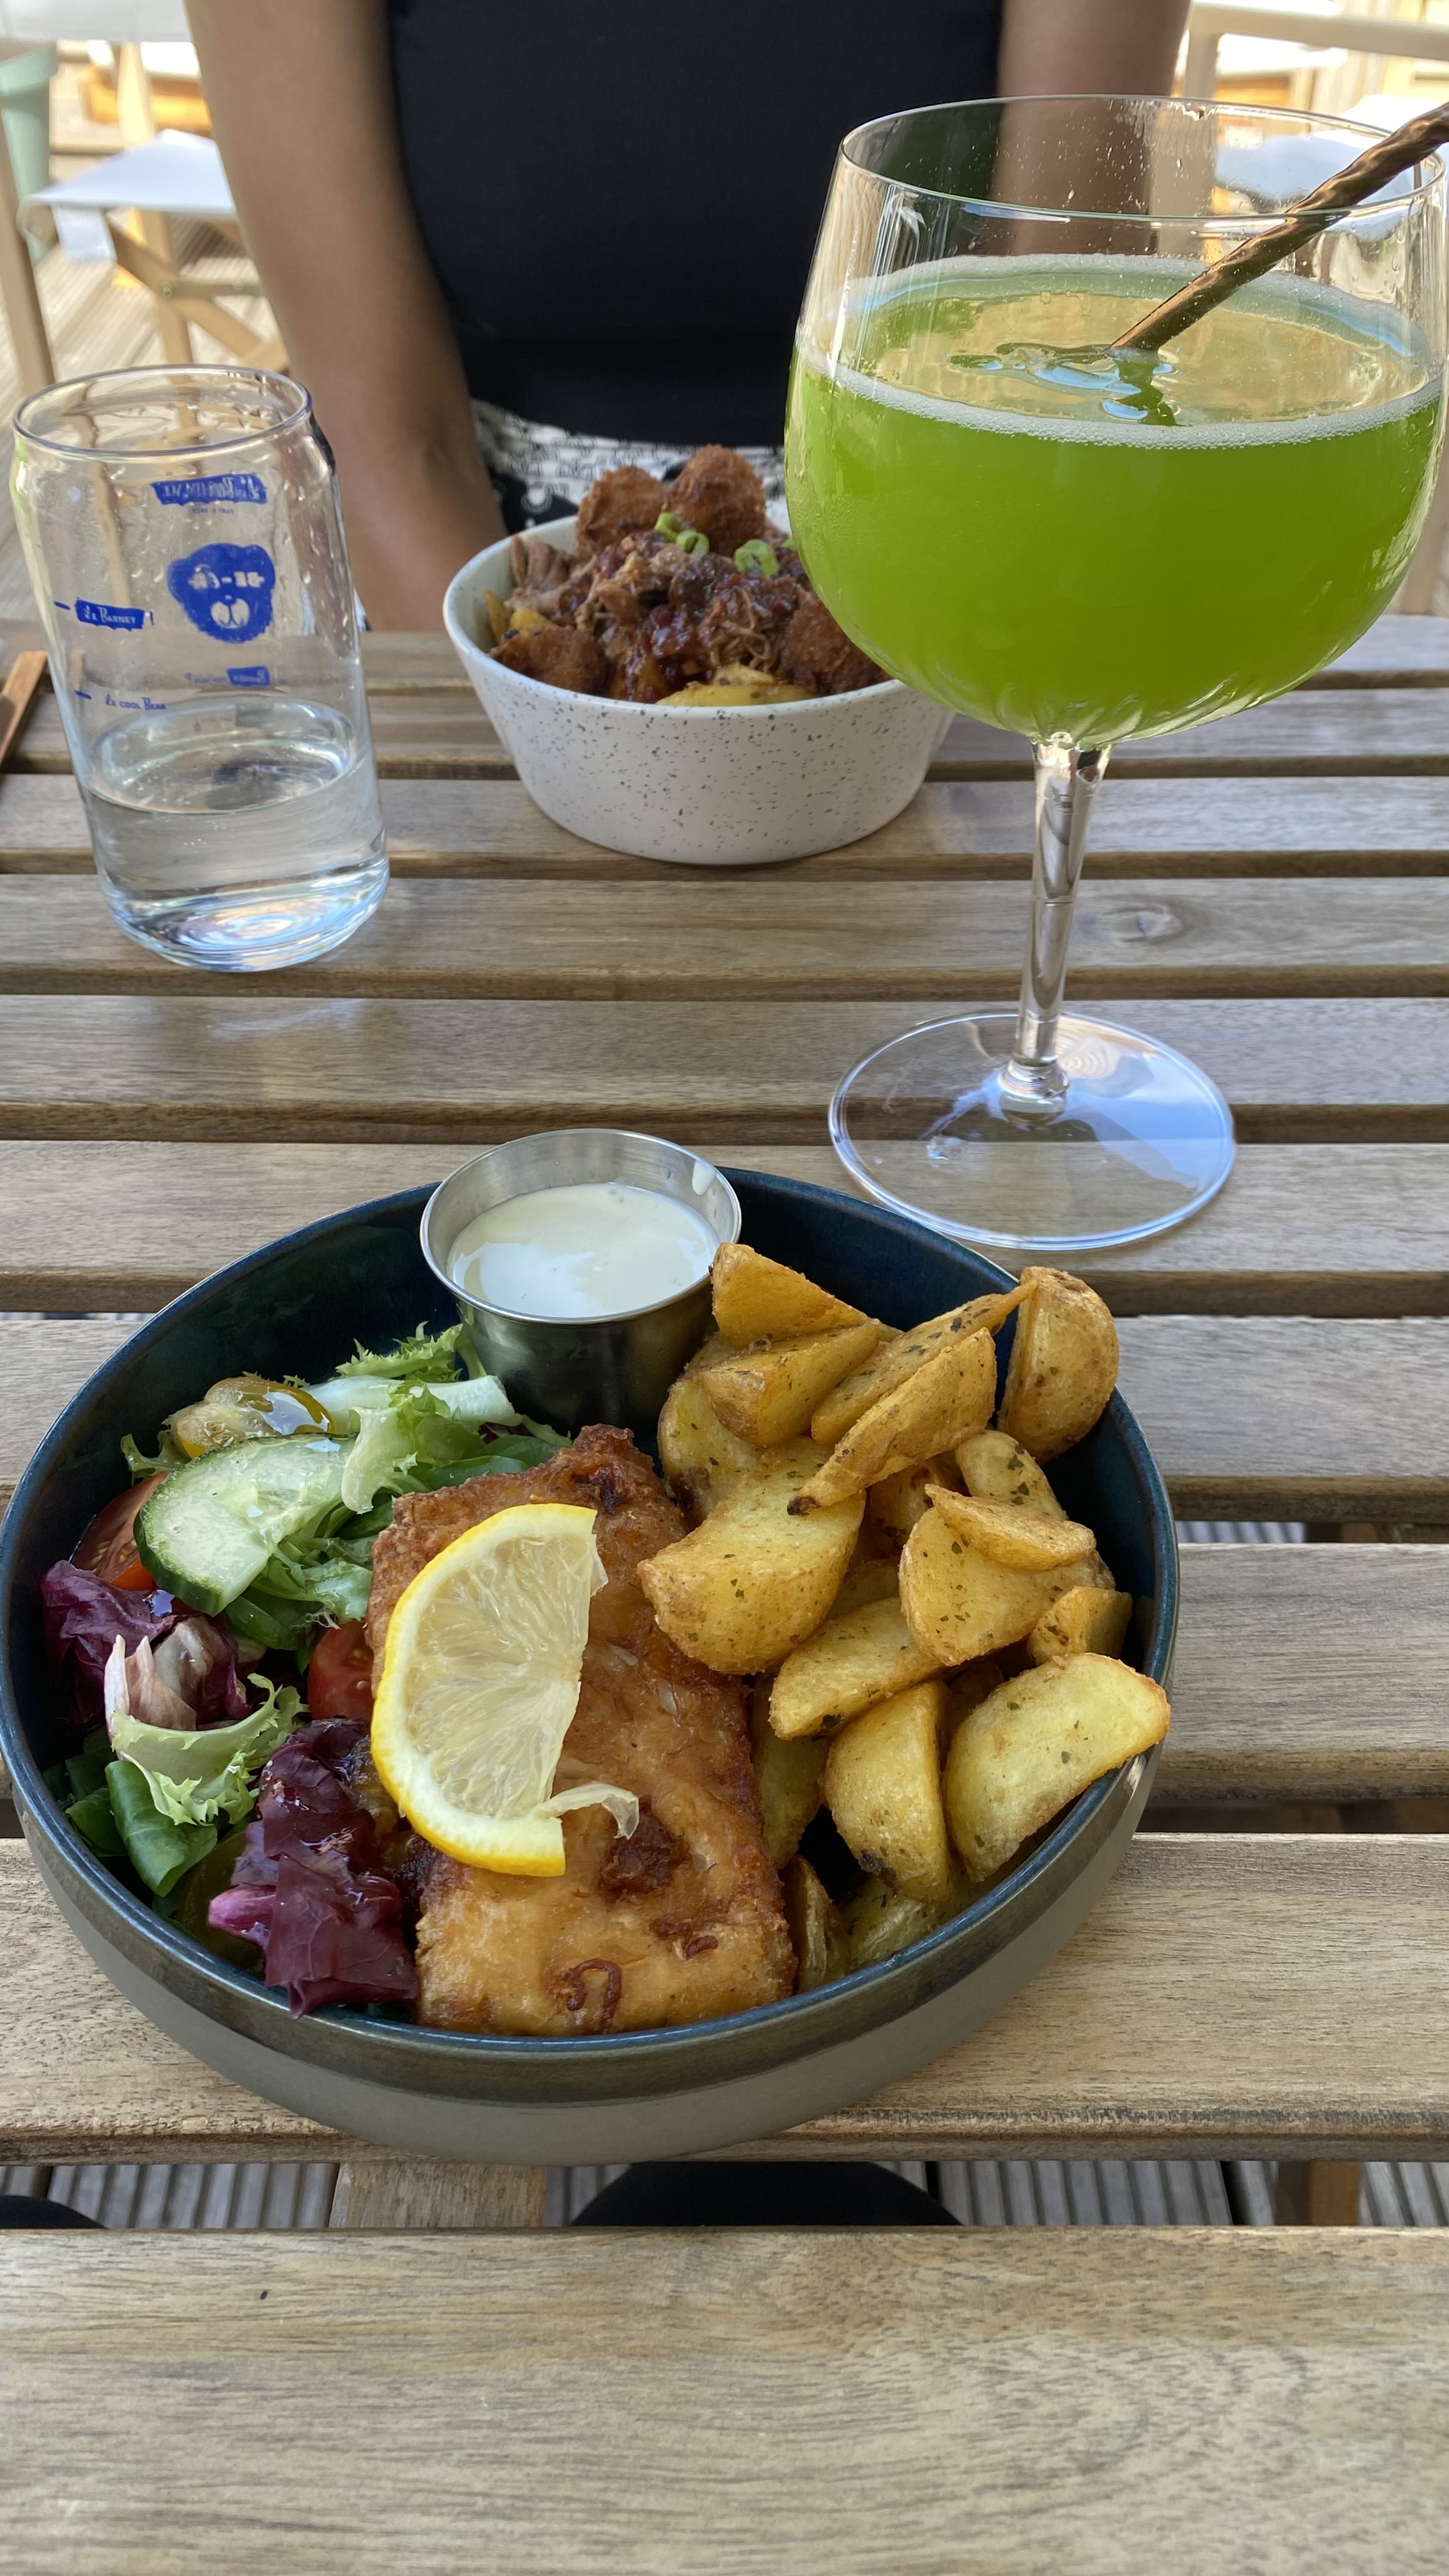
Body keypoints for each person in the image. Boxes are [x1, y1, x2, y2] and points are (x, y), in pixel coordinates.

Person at [190, 1, 1190, 629]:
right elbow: (388, 445)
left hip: (945, 577)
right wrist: (534, 704)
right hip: (476, 577)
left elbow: (1051, 355)